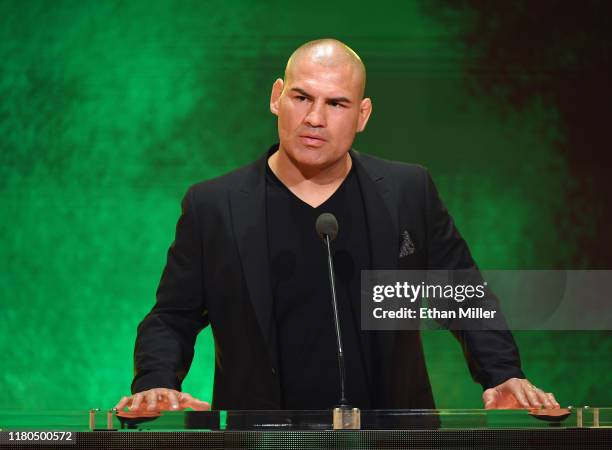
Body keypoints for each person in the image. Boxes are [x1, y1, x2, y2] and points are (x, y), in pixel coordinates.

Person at [116, 39, 559, 413]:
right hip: (262, 437)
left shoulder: (408, 191)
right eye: (302, 97)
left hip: (392, 436)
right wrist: (156, 382)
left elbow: (461, 295)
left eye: (336, 103)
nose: (314, 118)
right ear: (276, 96)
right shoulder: (214, 204)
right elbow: (172, 316)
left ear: (362, 115)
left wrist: (502, 375)